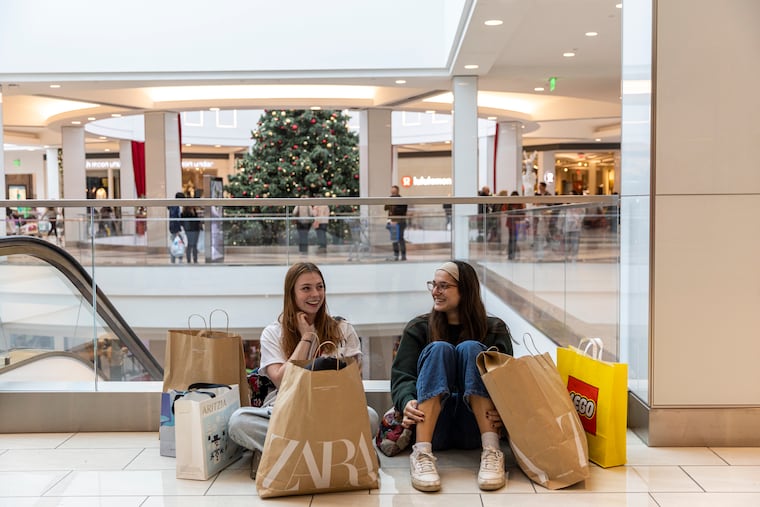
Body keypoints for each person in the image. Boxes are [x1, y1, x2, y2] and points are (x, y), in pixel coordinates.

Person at [228, 262, 379, 477]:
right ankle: (328, 453)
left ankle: (287, 453)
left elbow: (353, 382)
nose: (315, 294)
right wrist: (307, 337)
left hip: (333, 411)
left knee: (371, 417)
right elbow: (282, 381)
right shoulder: (273, 333)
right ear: (291, 293)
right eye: (306, 288)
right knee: (238, 422)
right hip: (286, 413)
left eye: (320, 286)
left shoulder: (343, 329)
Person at [391, 260, 513, 492]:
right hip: (433, 424)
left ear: (465, 290)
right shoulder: (418, 328)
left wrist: (505, 410)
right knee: (439, 349)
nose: (435, 292)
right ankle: (422, 453)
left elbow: (508, 381)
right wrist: (407, 401)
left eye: (443, 286)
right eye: (433, 285)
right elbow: (401, 376)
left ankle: (492, 451)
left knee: (470, 348)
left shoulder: (495, 329)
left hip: (477, 427)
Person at [384, 185, 407, 261]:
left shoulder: (402, 200)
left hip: (400, 222)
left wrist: (394, 207)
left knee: (400, 238)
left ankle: (403, 255)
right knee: (394, 239)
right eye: (392, 191)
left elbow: (403, 211)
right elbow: (385, 208)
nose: (393, 193)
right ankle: (396, 255)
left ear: (397, 191)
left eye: (394, 191)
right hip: (392, 222)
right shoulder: (389, 199)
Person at [505, 191, 525, 260]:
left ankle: (513, 254)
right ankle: (510, 254)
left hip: (516, 223)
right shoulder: (509, 204)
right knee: (511, 239)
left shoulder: (519, 204)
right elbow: (505, 211)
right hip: (511, 223)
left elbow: (522, 213)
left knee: (514, 239)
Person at [168, 192, 185, 264]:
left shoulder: (174, 206)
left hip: (174, 229)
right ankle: (177, 260)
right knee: (178, 244)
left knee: (175, 244)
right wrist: (177, 230)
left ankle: (174, 260)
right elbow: (175, 219)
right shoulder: (175, 207)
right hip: (175, 229)